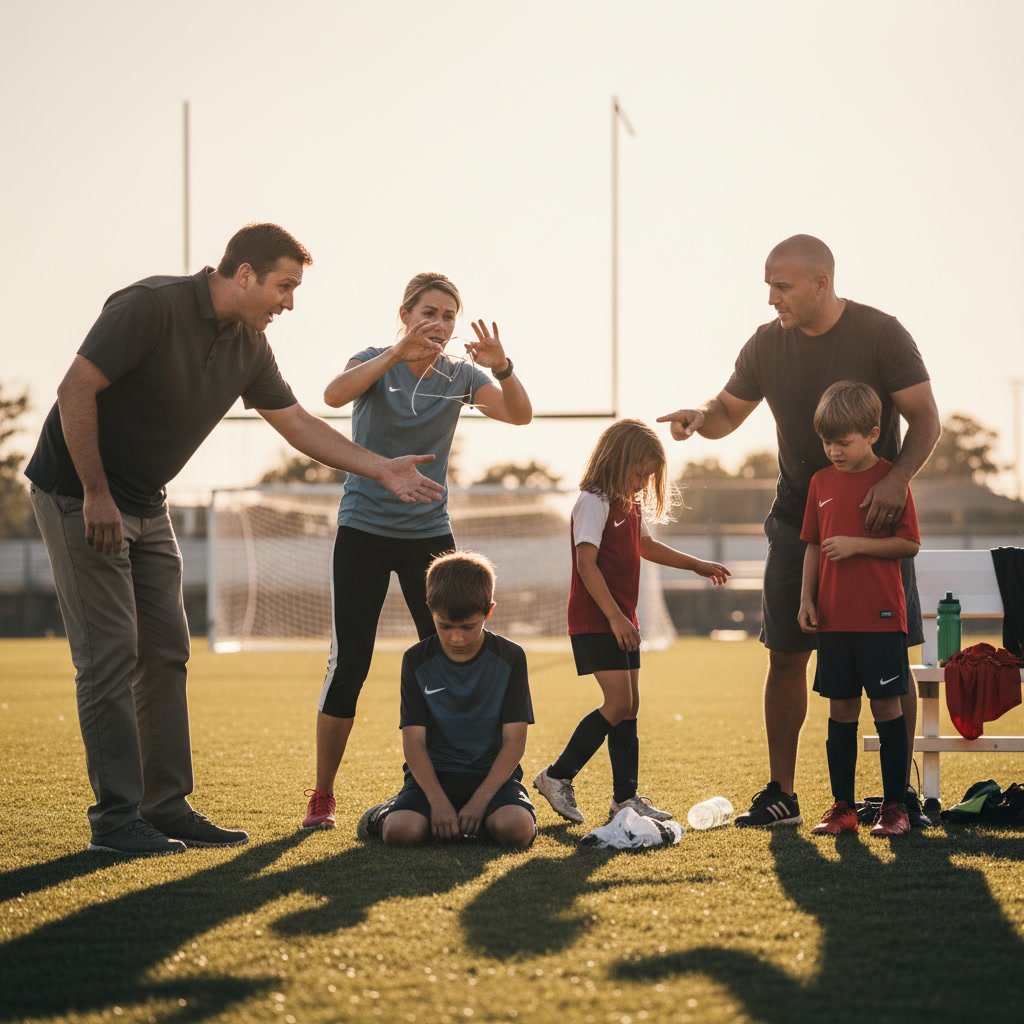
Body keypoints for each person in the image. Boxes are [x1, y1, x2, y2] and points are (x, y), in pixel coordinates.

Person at [26, 223, 447, 856]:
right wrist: (95, 492)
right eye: (284, 286)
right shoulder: (151, 305)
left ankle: (164, 805)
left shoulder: (250, 345)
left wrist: (381, 468)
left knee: (167, 653)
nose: (290, 302)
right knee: (109, 655)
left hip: (145, 499)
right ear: (242, 274)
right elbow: (74, 389)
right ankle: (116, 820)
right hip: (78, 494)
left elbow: (300, 423)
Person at [658, 234, 940, 828]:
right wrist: (698, 419)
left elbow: (926, 419)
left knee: (892, 660)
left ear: (821, 283)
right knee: (786, 655)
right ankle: (782, 794)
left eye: (781, 286)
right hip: (796, 524)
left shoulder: (881, 333)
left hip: (875, 524)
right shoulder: (766, 344)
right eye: (768, 286)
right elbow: (727, 413)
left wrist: (896, 484)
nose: (771, 299)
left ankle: (899, 798)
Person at [302, 273, 532, 829]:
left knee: (451, 655)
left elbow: (519, 414)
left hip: (428, 535)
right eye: (429, 312)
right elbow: (333, 396)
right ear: (405, 314)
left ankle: (453, 782)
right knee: (349, 663)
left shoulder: (461, 375)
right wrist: (393, 355)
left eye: (449, 316)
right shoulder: (372, 359)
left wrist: (502, 366)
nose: (440, 324)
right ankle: (323, 794)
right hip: (363, 528)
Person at [532, 419, 730, 825]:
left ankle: (625, 799)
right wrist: (615, 616)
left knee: (631, 706)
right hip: (597, 619)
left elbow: (647, 545)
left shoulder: (629, 504)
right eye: (639, 473)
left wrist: (695, 564)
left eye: (648, 476)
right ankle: (556, 776)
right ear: (617, 460)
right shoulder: (593, 501)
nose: (643, 482)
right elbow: (586, 565)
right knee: (619, 703)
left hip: (621, 619)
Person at [798, 381, 921, 837]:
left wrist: (858, 546)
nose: (833, 450)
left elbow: (909, 543)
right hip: (834, 621)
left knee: (887, 707)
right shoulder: (820, 483)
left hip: (882, 620)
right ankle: (843, 808)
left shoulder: (892, 480)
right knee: (841, 710)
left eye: (843, 441)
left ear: (871, 433)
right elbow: (812, 545)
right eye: (827, 441)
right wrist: (807, 599)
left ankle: (895, 808)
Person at [356, 550, 537, 848]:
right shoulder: (416, 660)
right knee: (401, 833)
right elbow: (413, 741)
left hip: (491, 779)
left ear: (488, 611)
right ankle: (382, 815)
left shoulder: (511, 657)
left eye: (468, 627)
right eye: (445, 626)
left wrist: (480, 802)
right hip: (433, 778)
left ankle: (475, 818)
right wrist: (438, 802)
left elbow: (515, 740)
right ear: (430, 610)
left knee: (516, 830)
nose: (456, 638)